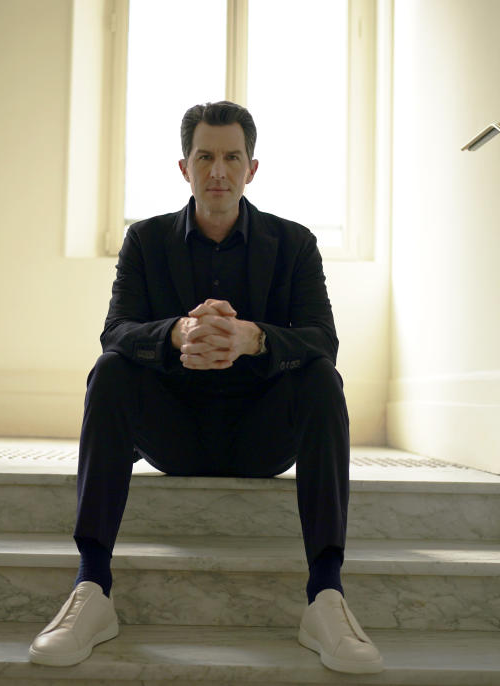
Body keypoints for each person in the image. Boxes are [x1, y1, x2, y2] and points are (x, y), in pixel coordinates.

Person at [28, 101, 383, 674]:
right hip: (176, 434)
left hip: (260, 439)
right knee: (112, 370)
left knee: (321, 378)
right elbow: (115, 333)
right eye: (205, 157)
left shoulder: (294, 244)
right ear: (184, 167)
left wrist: (252, 339)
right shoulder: (145, 240)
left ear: (252, 168)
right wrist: (178, 333)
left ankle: (325, 595)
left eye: (231, 157)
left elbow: (323, 340)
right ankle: (92, 586)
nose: (218, 170)